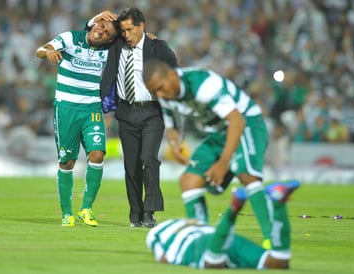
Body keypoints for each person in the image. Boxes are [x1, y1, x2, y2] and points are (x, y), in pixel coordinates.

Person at [143, 60, 272, 248]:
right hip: (217, 133)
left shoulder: (203, 85)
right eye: (155, 92)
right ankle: (201, 237)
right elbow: (171, 125)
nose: (160, 95)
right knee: (188, 180)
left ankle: (272, 238)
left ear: (171, 75)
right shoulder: (165, 94)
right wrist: (175, 143)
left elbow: (236, 120)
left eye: (161, 88)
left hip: (246, 124)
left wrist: (223, 163)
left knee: (247, 175)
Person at [89, 8, 178, 228]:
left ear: (142, 26)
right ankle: (135, 214)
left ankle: (150, 212)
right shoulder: (117, 43)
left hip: (151, 113)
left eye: (130, 29)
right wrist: (97, 19)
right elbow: (91, 36)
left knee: (149, 159)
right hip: (126, 113)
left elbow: (176, 77)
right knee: (131, 166)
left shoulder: (158, 47)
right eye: (123, 30)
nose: (126, 34)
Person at [35, 13, 120, 227]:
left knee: (98, 154)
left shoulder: (107, 50)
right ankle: (66, 213)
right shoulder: (70, 38)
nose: (101, 30)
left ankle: (86, 208)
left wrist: (148, 36)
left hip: (91, 108)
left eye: (107, 32)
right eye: (101, 25)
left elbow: (132, 38)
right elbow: (40, 50)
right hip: (66, 108)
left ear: (110, 40)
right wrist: (49, 51)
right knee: (67, 162)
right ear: (94, 24)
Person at [146, 180, 300, 269]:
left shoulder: (155, 233)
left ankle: (233, 209)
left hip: (198, 245)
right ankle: (279, 204)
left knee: (212, 263)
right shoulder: (197, 224)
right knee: (279, 261)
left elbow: (163, 259)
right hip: (220, 237)